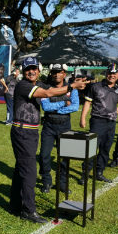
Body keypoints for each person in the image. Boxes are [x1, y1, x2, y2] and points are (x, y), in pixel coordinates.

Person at [9, 57, 86, 223]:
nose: (31, 71)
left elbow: (54, 88)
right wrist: (72, 86)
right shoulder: (24, 85)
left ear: (39, 70)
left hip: (30, 132)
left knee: (20, 169)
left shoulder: (38, 84)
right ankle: (28, 211)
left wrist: (74, 84)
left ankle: (15, 205)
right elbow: (49, 93)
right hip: (23, 131)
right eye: (28, 69)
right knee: (29, 172)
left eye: (34, 68)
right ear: (23, 71)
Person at [79, 64, 118, 184]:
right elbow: (87, 103)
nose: (112, 76)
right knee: (91, 148)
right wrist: (83, 118)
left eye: (114, 74)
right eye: (110, 73)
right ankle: (85, 174)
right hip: (97, 121)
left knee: (105, 148)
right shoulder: (95, 86)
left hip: (111, 122)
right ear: (106, 74)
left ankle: (99, 173)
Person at [38, 63, 79, 193]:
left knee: (64, 157)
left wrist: (57, 109)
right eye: (54, 72)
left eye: (59, 72)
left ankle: (62, 183)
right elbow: (45, 107)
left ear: (64, 74)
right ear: (51, 73)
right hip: (49, 126)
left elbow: (75, 107)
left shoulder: (72, 89)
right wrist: (63, 103)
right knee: (44, 155)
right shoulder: (45, 89)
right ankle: (46, 181)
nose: (56, 75)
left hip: (65, 126)